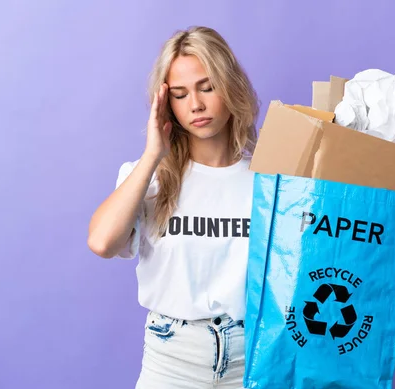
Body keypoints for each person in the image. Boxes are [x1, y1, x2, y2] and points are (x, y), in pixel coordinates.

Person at [87, 26, 259, 388]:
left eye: (207, 87)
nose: (195, 104)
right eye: (179, 95)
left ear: (231, 86)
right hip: (173, 360)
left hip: (254, 360)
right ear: (166, 104)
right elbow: (102, 243)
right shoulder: (148, 178)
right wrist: (153, 155)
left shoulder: (269, 181)